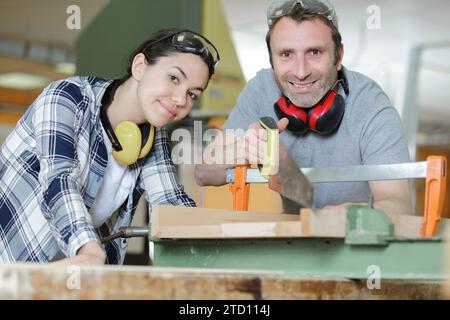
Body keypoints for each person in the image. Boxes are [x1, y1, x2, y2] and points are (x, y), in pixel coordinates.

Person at [0, 28, 220, 264]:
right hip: (12, 265)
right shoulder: (66, 98)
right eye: (174, 78)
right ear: (139, 66)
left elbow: (171, 202)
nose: (180, 100)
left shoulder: (153, 136)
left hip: (70, 277)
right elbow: (58, 181)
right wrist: (88, 249)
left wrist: (216, 240)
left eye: (192, 94)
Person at [195, 0, 412, 216]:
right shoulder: (260, 89)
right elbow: (203, 173)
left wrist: (331, 217)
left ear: (338, 56)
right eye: (286, 54)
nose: (300, 72)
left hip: (361, 239)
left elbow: (399, 206)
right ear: (272, 62)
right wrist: (243, 151)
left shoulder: (370, 104)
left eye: (314, 52)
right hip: (296, 238)